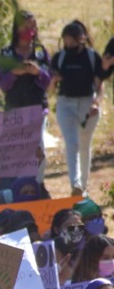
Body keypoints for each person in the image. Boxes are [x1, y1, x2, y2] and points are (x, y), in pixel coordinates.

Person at [48, 20, 106, 196]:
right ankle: (76, 184)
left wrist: (96, 103)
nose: (68, 45)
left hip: (87, 103)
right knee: (71, 143)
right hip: (66, 104)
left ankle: (84, 186)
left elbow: (99, 83)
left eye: (71, 41)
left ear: (80, 39)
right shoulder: (60, 57)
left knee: (84, 146)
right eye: (65, 41)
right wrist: (53, 81)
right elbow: (50, 89)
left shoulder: (91, 56)